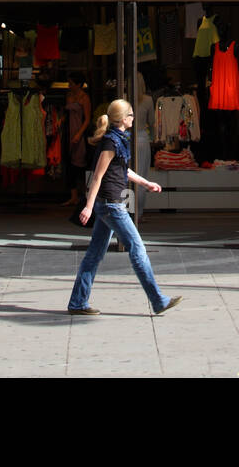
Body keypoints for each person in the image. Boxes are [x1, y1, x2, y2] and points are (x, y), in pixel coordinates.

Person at [67, 99, 182, 316]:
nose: (133, 117)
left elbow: (123, 171)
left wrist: (146, 183)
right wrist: (88, 207)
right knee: (137, 249)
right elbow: (98, 176)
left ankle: (77, 303)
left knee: (94, 255)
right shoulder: (111, 142)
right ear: (122, 119)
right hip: (111, 205)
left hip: (109, 204)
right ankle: (158, 300)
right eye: (130, 114)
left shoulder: (118, 139)